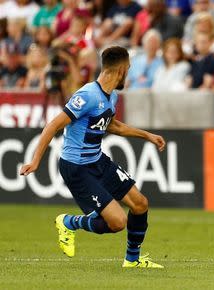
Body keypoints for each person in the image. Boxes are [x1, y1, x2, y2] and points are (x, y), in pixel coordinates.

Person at [20, 46, 166, 269]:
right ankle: (68, 222)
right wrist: (36, 160)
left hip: (97, 161)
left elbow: (112, 125)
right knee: (117, 222)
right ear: (120, 71)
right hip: (76, 167)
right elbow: (53, 125)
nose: (127, 74)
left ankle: (133, 260)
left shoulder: (111, 95)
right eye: (127, 69)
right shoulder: (87, 95)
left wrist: (147, 135)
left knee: (140, 204)